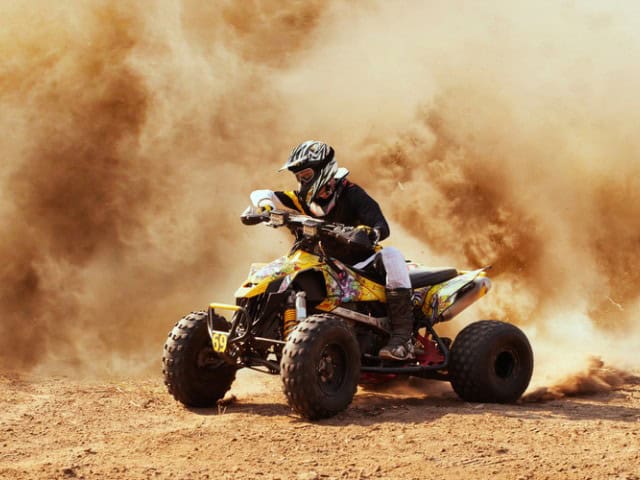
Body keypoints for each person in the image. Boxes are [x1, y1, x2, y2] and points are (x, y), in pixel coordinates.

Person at [249, 140, 415, 361]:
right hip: (322, 264)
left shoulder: (352, 194)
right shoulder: (302, 200)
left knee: (392, 254)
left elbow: (381, 226)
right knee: (269, 273)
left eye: (305, 175)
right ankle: (254, 334)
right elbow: (263, 193)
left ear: (323, 170)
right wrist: (264, 206)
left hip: (361, 266)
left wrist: (368, 233)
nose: (301, 181)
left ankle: (403, 338)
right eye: (298, 177)